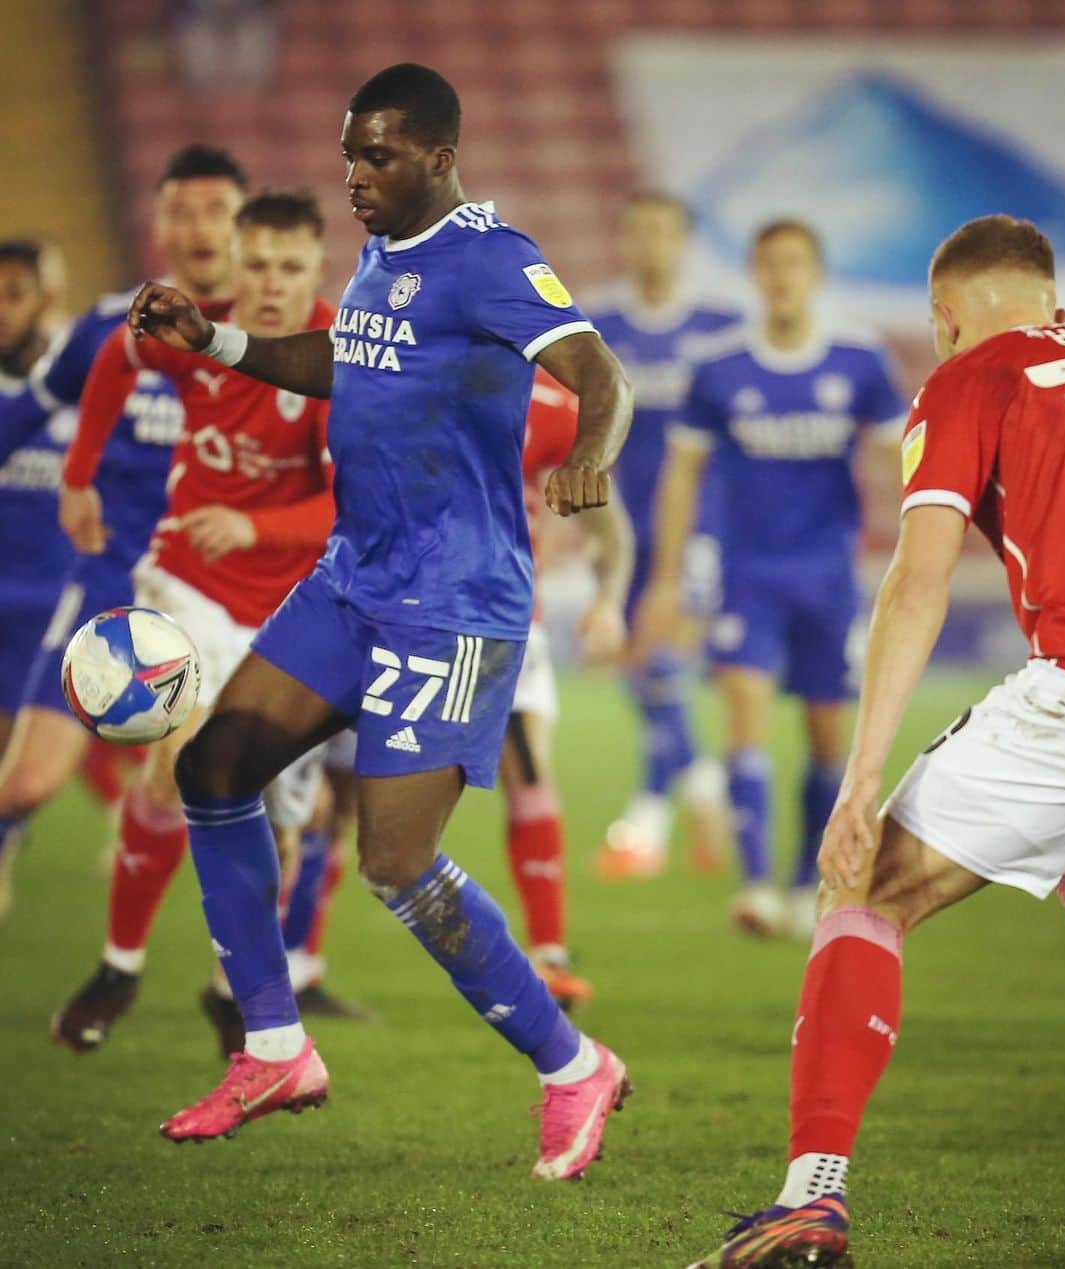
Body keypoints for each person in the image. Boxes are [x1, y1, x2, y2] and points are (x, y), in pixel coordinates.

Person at [125, 63, 634, 1180]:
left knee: (397, 864)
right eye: (350, 153)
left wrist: (589, 454)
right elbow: (344, 365)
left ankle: (571, 1067)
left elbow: (602, 373)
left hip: (453, 610)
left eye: (379, 157)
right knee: (212, 769)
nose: (354, 176)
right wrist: (211, 341)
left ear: (441, 158)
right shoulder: (382, 253)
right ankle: (273, 1046)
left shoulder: (492, 259)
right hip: (354, 582)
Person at [688, 213, 1065, 1267]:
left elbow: (918, 583)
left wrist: (861, 785)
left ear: (947, 319)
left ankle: (811, 1198)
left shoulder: (970, 380)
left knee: (864, 889)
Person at [52, 191, 337, 1054]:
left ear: (318, 270)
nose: (271, 284)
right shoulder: (199, 336)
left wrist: (261, 526)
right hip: (188, 582)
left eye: (291, 267)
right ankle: (119, 964)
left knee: (286, 821)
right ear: (232, 259)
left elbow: (349, 504)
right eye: (256, 264)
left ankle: (230, 991)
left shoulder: (332, 357)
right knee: (178, 760)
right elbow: (114, 356)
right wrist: (80, 470)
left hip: (291, 607)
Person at [636, 220, 906, 938]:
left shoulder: (859, 358)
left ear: (816, 274)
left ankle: (796, 881)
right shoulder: (718, 365)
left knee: (825, 737)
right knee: (745, 714)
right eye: (770, 264)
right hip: (745, 572)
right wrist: (666, 579)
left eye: (795, 264)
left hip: (828, 575)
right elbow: (681, 473)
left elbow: (902, 457)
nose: (782, 277)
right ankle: (756, 883)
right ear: (754, 275)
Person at [0, 146, 245, 913]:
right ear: (158, 224)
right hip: (114, 579)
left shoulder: (280, 338)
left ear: (243, 223)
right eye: (181, 210)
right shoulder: (111, 327)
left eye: (215, 210)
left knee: (255, 794)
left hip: (227, 588)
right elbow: (22, 413)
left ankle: (268, 985)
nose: (198, 227)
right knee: (30, 780)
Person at [587, 192, 737, 879]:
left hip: (696, 526)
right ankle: (693, 797)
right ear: (623, 241)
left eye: (665, 232)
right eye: (639, 231)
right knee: (638, 670)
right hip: (617, 524)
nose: (652, 244)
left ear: (684, 243)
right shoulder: (595, 325)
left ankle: (661, 818)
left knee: (661, 660)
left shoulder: (720, 330)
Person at [505, 366, 633, 1006]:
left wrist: (608, 600)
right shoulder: (420, 365)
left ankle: (549, 953)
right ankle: (298, 963)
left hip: (505, 615)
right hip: (408, 610)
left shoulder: (553, 404)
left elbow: (608, 522)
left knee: (530, 773)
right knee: (354, 801)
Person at [0, 240, 74, 762]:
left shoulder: (86, 386)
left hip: (55, 609)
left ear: (47, 300)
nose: (2, 310)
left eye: (14, 294)